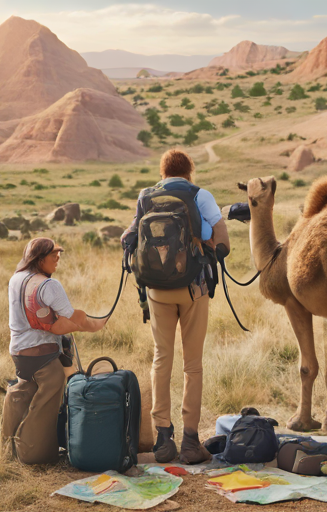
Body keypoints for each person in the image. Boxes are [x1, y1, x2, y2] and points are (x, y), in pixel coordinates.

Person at [121, 149, 230, 464]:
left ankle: (163, 440)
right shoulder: (200, 195)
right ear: (189, 170)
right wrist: (211, 252)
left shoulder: (146, 196)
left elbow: (128, 237)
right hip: (193, 289)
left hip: (156, 291)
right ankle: (191, 442)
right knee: (192, 365)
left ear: (163, 170)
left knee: (161, 360)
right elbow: (222, 240)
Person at [2, 237, 106, 465]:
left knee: (23, 390)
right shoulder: (49, 285)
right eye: (53, 256)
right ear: (39, 259)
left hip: (19, 352)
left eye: (59, 255)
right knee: (46, 402)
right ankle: (34, 454)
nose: (57, 260)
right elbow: (72, 319)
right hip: (43, 356)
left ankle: (7, 449)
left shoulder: (16, 278)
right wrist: (98, 323)